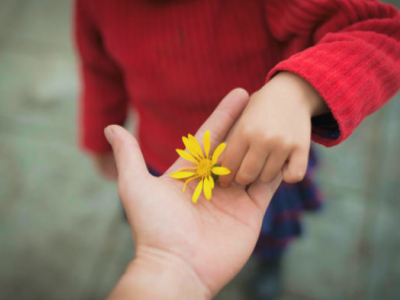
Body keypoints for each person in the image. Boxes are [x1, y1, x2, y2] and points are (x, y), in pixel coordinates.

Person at [74, 0, 400, 298]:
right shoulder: (96, 6)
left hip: (258, 167)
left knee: (266, 228)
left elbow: (384, 34)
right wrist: (99, 139)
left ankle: (270, 260)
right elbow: (99, 71)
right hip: (162, 157)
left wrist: (299, 89)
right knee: (159, 218)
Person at [104, 90, 283, 299]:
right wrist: (165, 261)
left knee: (272, 224)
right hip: (158, 149)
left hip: (259, 139)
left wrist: (293, 89)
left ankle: (271, 259)